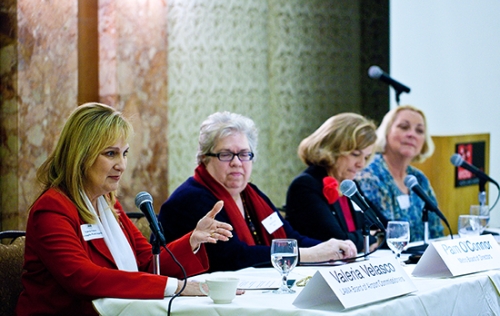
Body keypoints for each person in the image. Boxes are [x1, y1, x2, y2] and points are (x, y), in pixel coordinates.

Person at [17, 103, 233, 316]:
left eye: (125, 153)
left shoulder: (108, 204)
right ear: (80, 156)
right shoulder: (53, 208)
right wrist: (176, 287)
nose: (122, 164)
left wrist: (193, 240)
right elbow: (82, 277)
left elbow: (148, 261)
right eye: (111, 154)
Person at [158, 111, 357, 273]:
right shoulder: (192, 199)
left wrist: (332, 247)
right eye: (226, 154)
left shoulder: (251, 194)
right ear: (205, 159)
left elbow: (289, 236)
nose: (237, 163)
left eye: (244, 154)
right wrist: (310, 254)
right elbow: (233, 258)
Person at [286, 113, 383, 252]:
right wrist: (370, 238)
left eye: (366, 157)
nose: (361, 164)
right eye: (355, 154)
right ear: (332, 149)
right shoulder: (305, 186)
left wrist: (369, 237)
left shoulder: (349, 186)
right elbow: (338, 242)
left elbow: (384, 227)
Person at [356, 104, 444, 242]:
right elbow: (385, 233)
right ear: (386, 132)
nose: (412, 134)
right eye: (404, 127)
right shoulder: (370, 174)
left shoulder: (419, 179)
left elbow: (436, 230)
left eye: (419, 131)